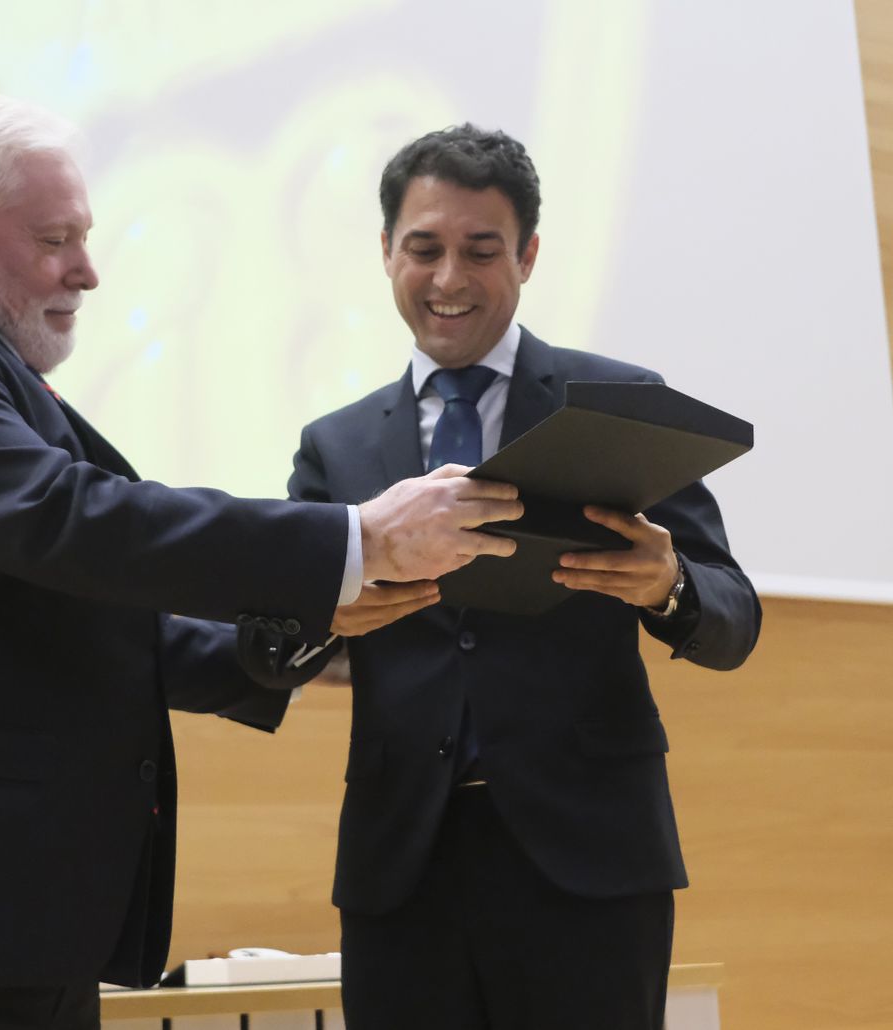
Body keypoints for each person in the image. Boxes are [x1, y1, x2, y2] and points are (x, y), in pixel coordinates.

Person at [0, 95, 523, 1030]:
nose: (87, 271)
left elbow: (86, 619)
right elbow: (69, 520)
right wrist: (353, 540)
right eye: (56, 240)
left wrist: (309, 634)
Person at [287, 124, 762, 1030]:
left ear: (529, 255)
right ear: (385, 250)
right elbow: (274, 637)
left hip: (591, 862)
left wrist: (668, 584)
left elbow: (734, 617)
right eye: (423, 248)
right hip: (402, 870)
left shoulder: (621, 407)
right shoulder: (334, 446)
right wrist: (323, 620)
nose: (449, 278)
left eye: (481, 250)